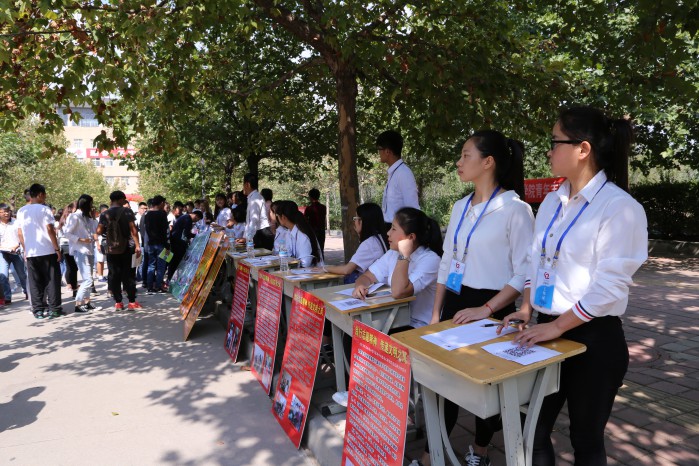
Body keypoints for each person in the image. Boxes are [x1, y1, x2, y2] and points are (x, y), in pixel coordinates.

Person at [500, 106, 648, 466]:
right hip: (546, 329)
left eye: (555, 142)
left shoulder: (619, 208)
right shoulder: (552, 201)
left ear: (583, 149)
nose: (548, 151)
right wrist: (526, 308)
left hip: (593, 339)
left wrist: (556, 327)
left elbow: (609, 288)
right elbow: (536, 261)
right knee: (531, 431)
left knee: (586, 440)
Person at [413, 130, 534, 466]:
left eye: (466, 155)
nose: (459, 162)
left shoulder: (516, 209)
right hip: (455, 301)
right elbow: (447, 262)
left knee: (487, 386)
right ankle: (430, 456)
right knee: (443, 381)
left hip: (494, 306)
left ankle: (480, 450)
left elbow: (524, 272)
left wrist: (487, 308)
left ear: (488, 162)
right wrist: (436, 313)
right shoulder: (460, 206)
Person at [353, 207, 441, 329]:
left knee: (362, 331)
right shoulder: (392, 253)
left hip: (417, 325)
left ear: (411, 237)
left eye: (393, 229)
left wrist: (404, 256)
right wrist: (360, 286)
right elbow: (367, 276)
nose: (388, 233)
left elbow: (399, 292)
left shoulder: (430, 260)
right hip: (394, 318)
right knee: (354, 327)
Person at [16, 184, 64, 319]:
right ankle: (54, 309)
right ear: (40, 194)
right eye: (45, 194)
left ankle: (38, 310)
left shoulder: (21, 211)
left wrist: (26, 249)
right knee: (52, 280)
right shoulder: (45, 209)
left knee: (35, 282)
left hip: (31, 252)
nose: (45, 197)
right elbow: (50, 229)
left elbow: (20, 233)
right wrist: (56, 248)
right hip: (47, 250)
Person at [97, 190, 142, 310]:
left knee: (114, 274)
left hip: (111, 248)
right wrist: (137, 245)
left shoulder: (104, 214)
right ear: (120, 199)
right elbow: (133, 230)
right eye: (123, 199)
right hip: (127, 247)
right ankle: (132, 302)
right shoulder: (127, 211)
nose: (124, 201)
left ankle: (118, 302)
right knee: (129, 274)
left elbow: (99, 231)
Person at [322, 203, 387, 284]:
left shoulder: (369, 244)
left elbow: (347, 270)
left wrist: (325, 268)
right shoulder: (380, 238)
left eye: (355, 218)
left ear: (362, 221)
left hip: (369, 285)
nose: (354, 222)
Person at [63, 194, 102, 313]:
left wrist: (93, 217)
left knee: (89, 279)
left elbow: (96, 230)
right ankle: (78, 304)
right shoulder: (74, 216)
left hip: (89, 250)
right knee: (88, 280)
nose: (92, 206)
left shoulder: (87, 217)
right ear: (86, 204)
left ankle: (87, 302)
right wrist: (81, 239)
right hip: (80, 251)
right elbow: (67, 233)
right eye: (91, 204)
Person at [376, 130, 420, 225]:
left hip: (398, 229)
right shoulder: (394, 172)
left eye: (379, 149)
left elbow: (413, 210)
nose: (378, 153)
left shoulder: (404, 173)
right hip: (390, 228)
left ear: (387, 151)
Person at [274, 201, 320, 267]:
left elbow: (305, 263)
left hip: (309, 271)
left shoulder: (302, 235)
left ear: (283, 217)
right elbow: (287, 254)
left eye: (277, 216)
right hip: (297, 269)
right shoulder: (289, 232)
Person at [0, 203, 28, 304]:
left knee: (22, 274)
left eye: (8, 211)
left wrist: (16, 247)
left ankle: (27, 292)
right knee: (3, 275)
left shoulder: (16, 222)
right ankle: (7, 297)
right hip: (2, 253)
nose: (6, 214)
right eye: (4, 212)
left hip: (16, 252)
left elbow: (21, 237)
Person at [168, 209, 203, 283]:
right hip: (178, 244)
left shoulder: (184, 217)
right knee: (176, 262)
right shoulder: (188, 219)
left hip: (174, 241)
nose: (196, 221)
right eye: (197, 219)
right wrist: (197, 236)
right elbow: (187, 234)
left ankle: (170, 278)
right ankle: (172, 279)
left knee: (172, 261)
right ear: (196, 216)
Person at [144, 195, 170, 294]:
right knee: (161, 266)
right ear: (161, 203)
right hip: (162, 243)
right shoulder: (162, 214)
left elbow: (147, 229)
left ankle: (149, 286)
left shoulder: (148, 214)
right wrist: (167, 243)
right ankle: (158, 286)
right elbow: (165, 230)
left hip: (151, 243)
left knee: (151, 265)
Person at [241, 173, 272, 249]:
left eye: (243, 185)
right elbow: (249, 222)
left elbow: (254, 220)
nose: (243, 188)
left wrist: (248, 239)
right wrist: (245, 237)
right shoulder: (252, 197)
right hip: (257, 233)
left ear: (247, 185)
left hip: (261, 234)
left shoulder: (256, 198)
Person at [58, 203, 78, 296]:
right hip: (69, 244)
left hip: (64, 245)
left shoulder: (63, 218)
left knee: (70, 267)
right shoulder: (70, 218)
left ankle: (71, 286)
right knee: (73, 267)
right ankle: (73, 288)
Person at [304, 188, 327, 253]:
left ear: (310, 197)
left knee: (313, 249)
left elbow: (305, 220)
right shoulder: (323, 207)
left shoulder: (309, 208)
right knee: (321, 249)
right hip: (321, 231)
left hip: (312, 231)